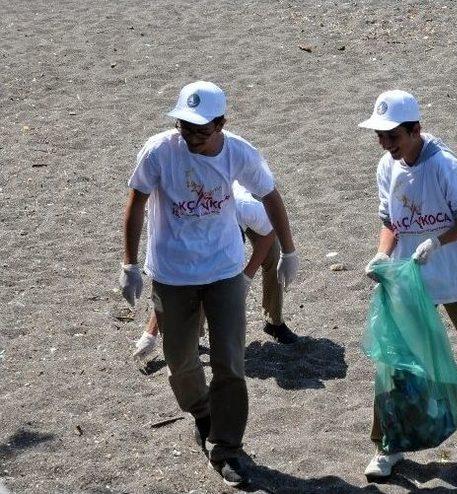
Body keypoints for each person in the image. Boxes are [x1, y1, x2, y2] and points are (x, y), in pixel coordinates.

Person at [119, 81, 298, 487]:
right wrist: (129, 264)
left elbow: (271, 196)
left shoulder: (238, 152)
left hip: (224, 272)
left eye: (201, 130)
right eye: (185, 127)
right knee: (181, 360)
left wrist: (288, 251)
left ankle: (227, 447)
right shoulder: (159, 151)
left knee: (230, 363)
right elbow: (136, 203)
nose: (191, 137)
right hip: (173, 273)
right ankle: (202, 413)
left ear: (221, 123)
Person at [359, 90, 457, 479]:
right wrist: (382, 253)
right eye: (381, 136)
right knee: (396, 359)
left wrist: (437, 240)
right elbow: (390, 220)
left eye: (393, 136)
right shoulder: (385, 166)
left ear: (415, 130)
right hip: (413, 272)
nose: (386, 144)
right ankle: (388, 444)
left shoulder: (448, 167)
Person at [132, 182, 298, 359]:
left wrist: (247, 276)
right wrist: (150, 334)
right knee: (200, 282)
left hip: (251, 197)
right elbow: (169, 283)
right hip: (211, 209)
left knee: (274, 254)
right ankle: (193, 337)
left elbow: (270, 230)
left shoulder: (246, 207)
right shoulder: (185, 234)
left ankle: (274, 322)